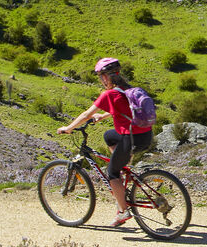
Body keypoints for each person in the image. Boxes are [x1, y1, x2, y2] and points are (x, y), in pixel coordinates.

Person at [57, 57, 155, 227]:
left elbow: (86, 115)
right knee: (109, 136)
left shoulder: (108, 94)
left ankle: (123, 212)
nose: (101, 80)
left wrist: (69, 127)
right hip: (145, 136)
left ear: (105, 77)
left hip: (129, 139)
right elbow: (126, 109)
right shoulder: (128, 89)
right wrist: (103, 116)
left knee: (111, 173)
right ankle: (125, 164)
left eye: (100, 77)